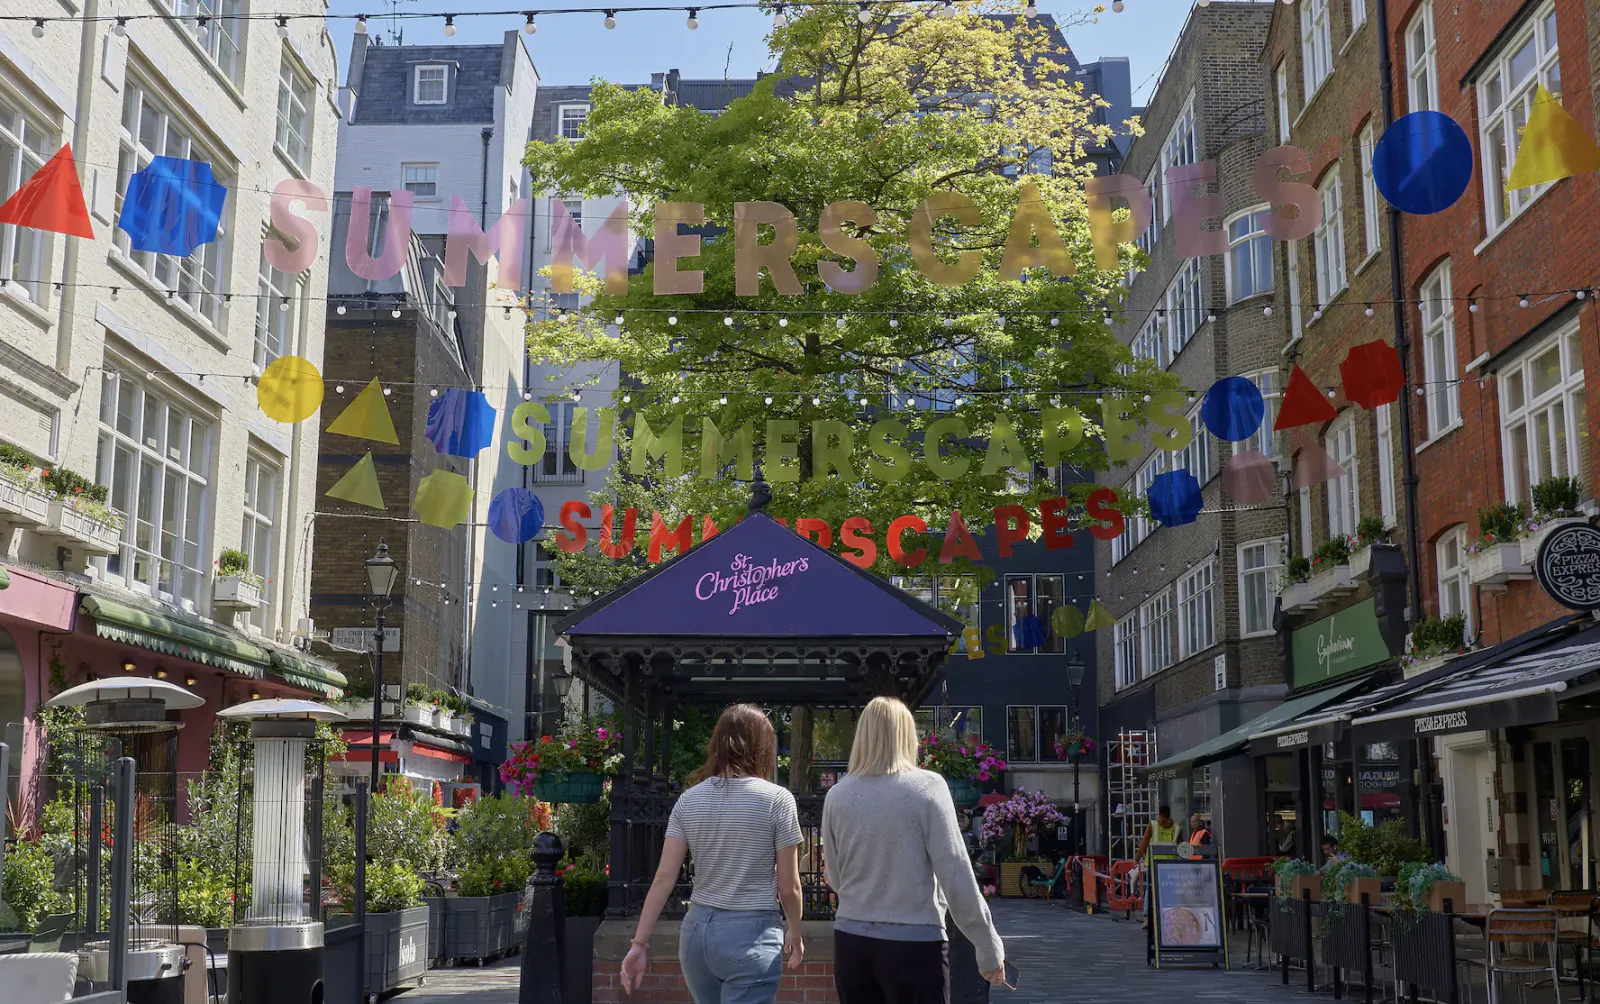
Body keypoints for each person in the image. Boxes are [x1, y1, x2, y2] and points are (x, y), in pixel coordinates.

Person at [822, 696, 1006, 1002]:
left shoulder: (837, 795)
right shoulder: (927, 788)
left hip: (852, 940)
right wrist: (987, 946)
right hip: (915, 942)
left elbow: (835, 876)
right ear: (907, 736)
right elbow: (955, 872)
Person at [621, 704, 805, 1002]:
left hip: (697, 935)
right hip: (751, 933)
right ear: (762, 746)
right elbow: (789, 886)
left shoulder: (688, 800)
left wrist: (639, 944)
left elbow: (664, 877)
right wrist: (795, 930)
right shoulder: (777, 800)